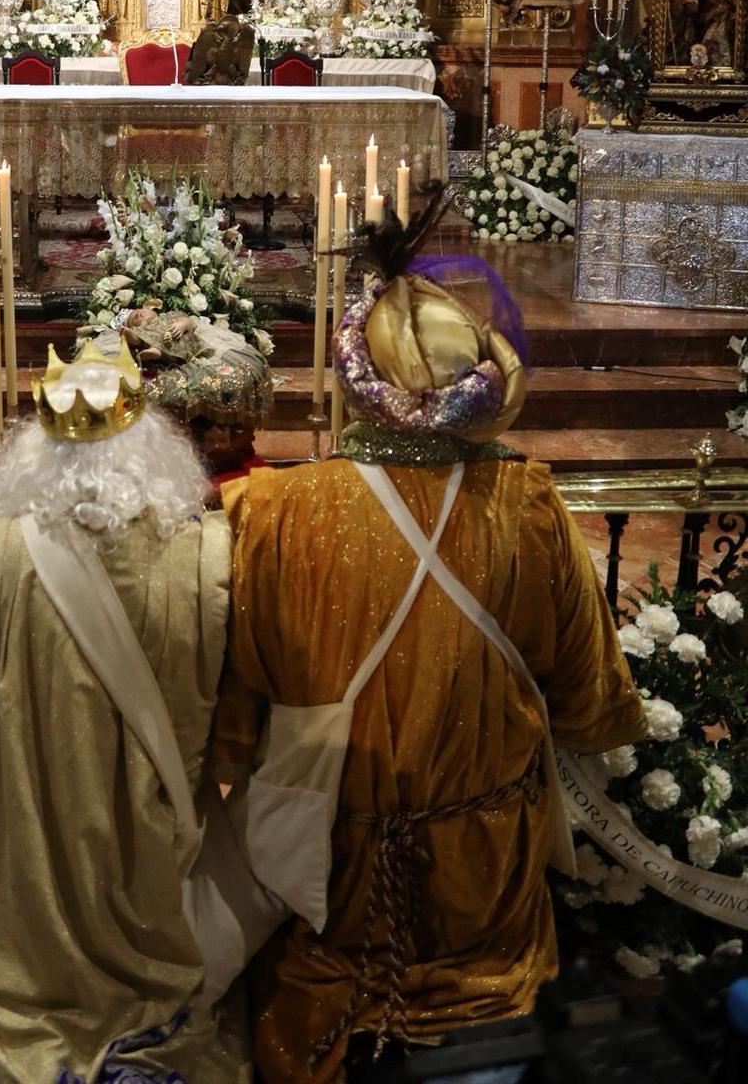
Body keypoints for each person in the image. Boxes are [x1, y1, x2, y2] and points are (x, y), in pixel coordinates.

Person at [212, 209, 646, 1081]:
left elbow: (231, 719)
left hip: (327, 879)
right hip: (485, 885)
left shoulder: (273, 514)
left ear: (352, 378)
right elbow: (591, 703)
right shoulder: (529, 509)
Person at [0, 338, 247, 1083]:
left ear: (33, 449)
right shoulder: (204, 555)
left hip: (26, 825)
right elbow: (215, 708)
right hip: (146, 832)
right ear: (152, 445)